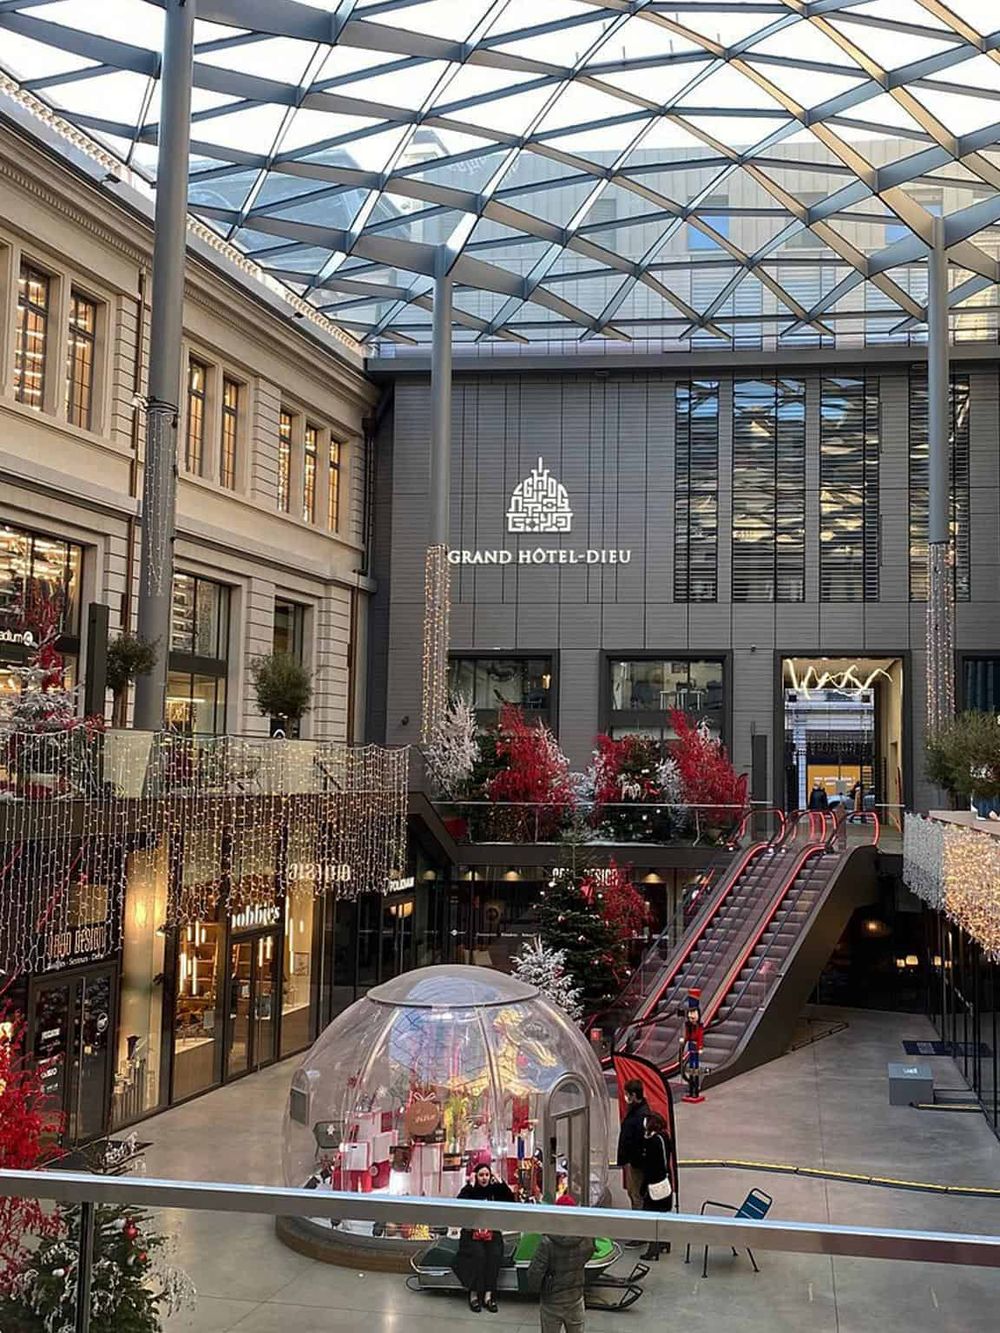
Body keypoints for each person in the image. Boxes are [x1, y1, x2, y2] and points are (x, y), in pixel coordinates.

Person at [526, 1194, 593, 1333]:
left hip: (552, 1301)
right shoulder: (586, 1236)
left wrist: (536, 1289)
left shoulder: (547, 1242)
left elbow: (535, 1273)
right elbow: (588, 1254)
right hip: (575, 1297)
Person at [455, 1161, 515, 1313]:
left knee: (494, 1255)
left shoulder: (494, 1190)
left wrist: (500, 1182)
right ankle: (474, 1293)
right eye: (481, 1175)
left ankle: (489, 1294)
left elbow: (510, 1199)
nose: (484, 1178)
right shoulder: (471, 1191)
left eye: (487, 1175)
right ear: (476, 1176)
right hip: (471, 1234)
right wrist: (468, 1184)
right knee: (478, 1256)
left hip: (492, 1233)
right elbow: (459, 1203)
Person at [640, 1112, 674, 1261]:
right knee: (663, 1214)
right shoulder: (665, 1137)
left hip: (655, 1184)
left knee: (651, 1217)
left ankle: (652, 1250)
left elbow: (649, 1166)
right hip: (666, 1182)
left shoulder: (652, 1142)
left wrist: (643, 1187)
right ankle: (665, 1243)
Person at [614, 1078, 649, 1211]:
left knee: (636, 1194)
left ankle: (639, 1222)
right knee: (632, 1192)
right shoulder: (635, 1110)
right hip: (632, 1161)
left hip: (636, 1163)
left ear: (633, 1095)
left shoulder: (641, 1115)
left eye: (627, 1094)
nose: (626, 1097)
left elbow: (639, 1141)